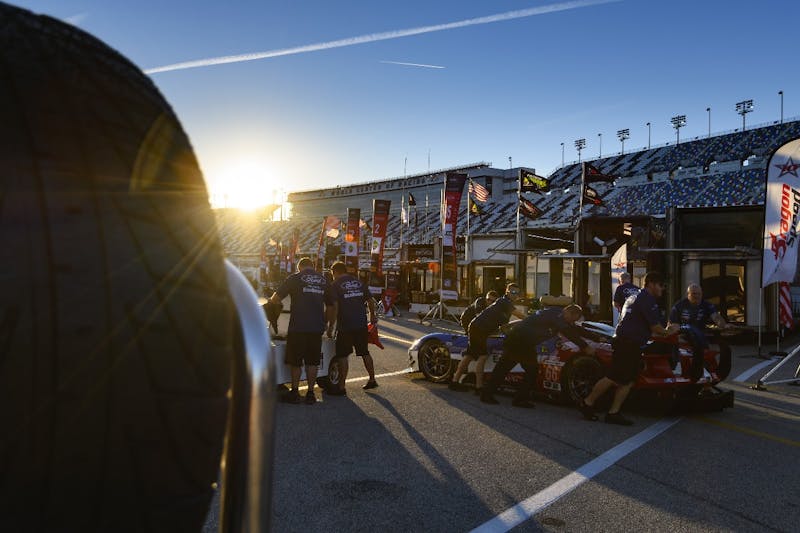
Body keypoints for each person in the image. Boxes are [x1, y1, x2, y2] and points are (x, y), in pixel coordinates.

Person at [577, 271, 679, 425]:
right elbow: (656, 328)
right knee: (613, 376)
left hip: (627, 341)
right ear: (651, 284)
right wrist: (671, 331)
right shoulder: (647, 299)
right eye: (661, 285)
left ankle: (613, 412)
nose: (662, 289)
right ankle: (587, 403)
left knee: (628, 380)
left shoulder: (634, 296)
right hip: (628, 343)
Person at [481, 304, 595, 407]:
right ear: (569, 312)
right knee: (524, 370)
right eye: (572, 319)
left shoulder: (560, 315)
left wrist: (597, 338)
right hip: (518, 340)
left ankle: (499, 396)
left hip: (523, 342)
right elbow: (569, 332)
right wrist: (585, 346)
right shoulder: (557, 315)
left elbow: (575, 329)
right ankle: (516, 399)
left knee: (509, 368)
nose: (571, 322)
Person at [269, 257, 330, 405]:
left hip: (298, 327)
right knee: (312, 362)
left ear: (299, 267)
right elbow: (332, 305)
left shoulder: (295, 278)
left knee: (295, 362)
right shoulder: (323, 280)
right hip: (316, 328)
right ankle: (310, 394)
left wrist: (274, 308)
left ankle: (295, 392)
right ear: (312, 267)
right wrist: (326, 323)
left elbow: (275, 298)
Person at [449, 283, 527, 394]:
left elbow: (504, 326)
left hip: (479, 328)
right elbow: (520, 315)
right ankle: (478, 387)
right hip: (479, 329)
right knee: (482, 356)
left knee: (469, 355)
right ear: (507, 292)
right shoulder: (504, 302)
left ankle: (455, 382)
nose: (515, 295)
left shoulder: (505, 304)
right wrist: (533, 320)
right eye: (513, 292)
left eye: (517, 293)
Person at [325, 262, 378, 394]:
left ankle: (341, 387)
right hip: (361, 324)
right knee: (364, 352)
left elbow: (335, 307)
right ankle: (372, 379)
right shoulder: (358, 282)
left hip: (345, 326)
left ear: (335, 272)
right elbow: (370, 300)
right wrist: (372, 315)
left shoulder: (335, 285)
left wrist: (331, 326)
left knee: (343, 355)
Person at [668, 283, 735, 380]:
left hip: (700, 337)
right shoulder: (679, 306)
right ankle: (678, 371)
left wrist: (724, 325)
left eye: (699, 294)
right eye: (694, 294)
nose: (697, 296)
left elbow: (716, 317)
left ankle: (708, 373)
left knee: (708, 351)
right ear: (688, 294)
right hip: (682, 335)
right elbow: (672, 324)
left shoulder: (707, 305)